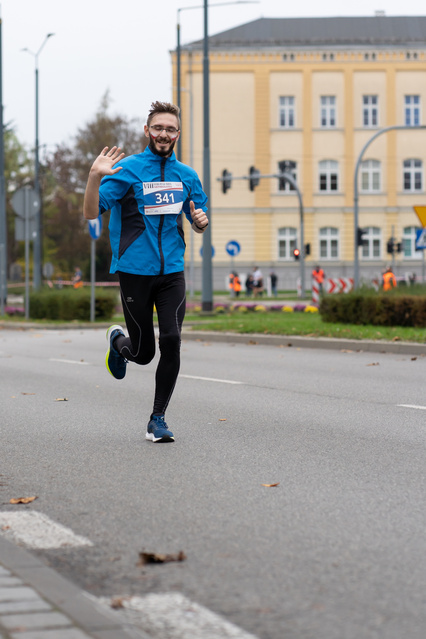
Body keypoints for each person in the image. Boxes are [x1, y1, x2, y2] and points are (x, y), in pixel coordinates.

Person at [83, 101, 208, 443]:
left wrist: (200, 222)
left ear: (178, 134)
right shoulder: (129, 170)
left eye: (170, 129)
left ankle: (157, 419)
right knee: (144, 353)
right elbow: (91, 212)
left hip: (172, 273)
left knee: (172, 340)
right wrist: (95, 176)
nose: (164, 134)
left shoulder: (188, 177)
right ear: (147, 131)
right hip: (134, 272)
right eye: (158, 128)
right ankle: (118, 342)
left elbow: (198, 216)